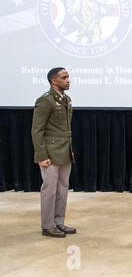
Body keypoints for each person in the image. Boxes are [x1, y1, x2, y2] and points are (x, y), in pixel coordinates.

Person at [31, 67, 77, 238]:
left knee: (62, 188)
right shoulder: (45, 100)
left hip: (64, 151)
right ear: (54, 81)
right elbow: (37, 130)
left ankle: (59, 221)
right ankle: (48, 225)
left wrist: (70, 150)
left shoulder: (67, 99)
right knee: (49, 190)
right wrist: (41, 156)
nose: (68, 80)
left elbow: (65, 129)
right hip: (50, 152)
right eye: (64, 77)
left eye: (68, 77)